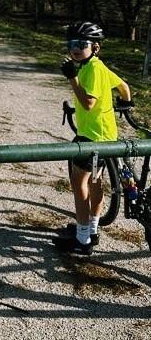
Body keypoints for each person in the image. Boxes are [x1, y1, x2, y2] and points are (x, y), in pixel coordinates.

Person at [54, 21, 131, 256]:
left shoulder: (93, 70)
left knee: (80, 184)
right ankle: (92, 229)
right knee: (95, 182)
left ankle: (82, 239)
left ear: (95, 47)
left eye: (81, 44)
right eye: (71, 44)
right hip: (104, 135)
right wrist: (126, 103)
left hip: (92, 138)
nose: (75, 49)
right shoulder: (99, 67)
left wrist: (72, 78)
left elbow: (88, 103)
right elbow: (124, 86)